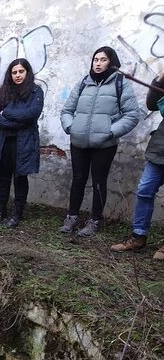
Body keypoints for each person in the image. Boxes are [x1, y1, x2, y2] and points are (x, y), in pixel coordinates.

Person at [59, 46, 140, 237]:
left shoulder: (121, 84)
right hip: (79, 141)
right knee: (78, 179)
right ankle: (72, 217)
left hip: (104, 144)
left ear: (111, 62)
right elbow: (66, 111)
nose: (98, 63)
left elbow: (132, 115)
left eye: (103, 60)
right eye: (96, 59)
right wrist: (71, 127)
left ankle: (95, 220)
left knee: (98, 182)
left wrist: (110, 132)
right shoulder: (83, 83)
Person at [111, 69, 164, 260]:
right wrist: (159, 79)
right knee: (144, 190)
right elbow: (152, 104)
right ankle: (138, 236)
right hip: (160, 149)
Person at [0, 58, 44, 228]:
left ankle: (17, 213)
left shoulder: (35, 92)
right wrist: (14, 118)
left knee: (20, 178)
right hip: (3, 142)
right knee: (3, 177)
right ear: (10, 74)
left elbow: (31, 114)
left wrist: (8, 113)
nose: (17, 75)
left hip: (23, 143)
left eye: (21, 71)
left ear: (27, 72)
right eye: (14, 72)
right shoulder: (3, 91)